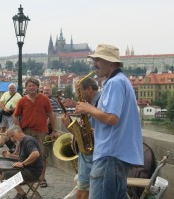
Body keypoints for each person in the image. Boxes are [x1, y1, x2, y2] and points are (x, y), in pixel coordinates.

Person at [75, 44, 144, 199]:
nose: (94, 64)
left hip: (110, 154)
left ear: (110, 62)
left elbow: (112, 118)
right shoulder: (121, 81)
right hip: (115, 154)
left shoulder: (115, 83)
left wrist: (88, 108)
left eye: (98, 60)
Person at [13, 77, 59, 188]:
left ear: (38, 87)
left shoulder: (44, 99)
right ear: (26, 87)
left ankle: (41, 178)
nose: (32, 87)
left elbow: (50, 115)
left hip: (41, 132)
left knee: (42, 155)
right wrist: (18, 129)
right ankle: (27, 177)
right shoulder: (22, 100)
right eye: (29, 85)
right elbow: (15, 116)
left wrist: (54, 130)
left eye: (34, 85)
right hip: (26, 131)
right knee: (25, 155)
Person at [62, 77, 101, 199]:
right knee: (83, 191)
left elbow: (95, 132)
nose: (80, 98)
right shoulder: (92, 104)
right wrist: (69, 125)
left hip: (92, 155)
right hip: (89, 155)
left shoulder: (100, 102)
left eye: (80, 92)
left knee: (83, 191)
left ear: (89, 89)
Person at [0, 125, 43, 199]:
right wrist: (10, 156)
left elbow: (36, 154)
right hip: (27, 168)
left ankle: (22, 194)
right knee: (0, 167)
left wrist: (23, 164)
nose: (12, 139)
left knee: (7, 174)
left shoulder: (28, 141)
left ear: (19, 132)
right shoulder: (22, 141)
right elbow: (22, 158)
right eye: (11, 137)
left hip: (33, 171)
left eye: (13, 136)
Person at [0, 83, 21, 154]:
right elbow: (1, 102)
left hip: (12, 114)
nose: (11, 90)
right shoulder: (5, 93)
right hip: (5, 113)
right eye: (10, 88)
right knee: (3, 128)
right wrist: (5, 108)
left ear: (15, 89)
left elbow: (20, 105)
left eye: (13, 88)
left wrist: (13, 109)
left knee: (8, 131)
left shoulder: (18, 95)